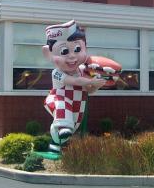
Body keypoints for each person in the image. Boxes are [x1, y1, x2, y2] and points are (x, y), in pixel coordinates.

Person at [42, 20, 106, 153]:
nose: (72, 56)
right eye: (64, 51)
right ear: (49, 54)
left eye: (77, 49)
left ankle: (56, 145)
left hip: (78, 104)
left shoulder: (84, 70)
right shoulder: (57, 73)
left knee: (71, 126)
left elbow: (89, 89)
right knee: (63, 113)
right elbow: (75, 81)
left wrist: (97, 85)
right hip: (57, 99)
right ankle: (60, 135)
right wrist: (90, 82)